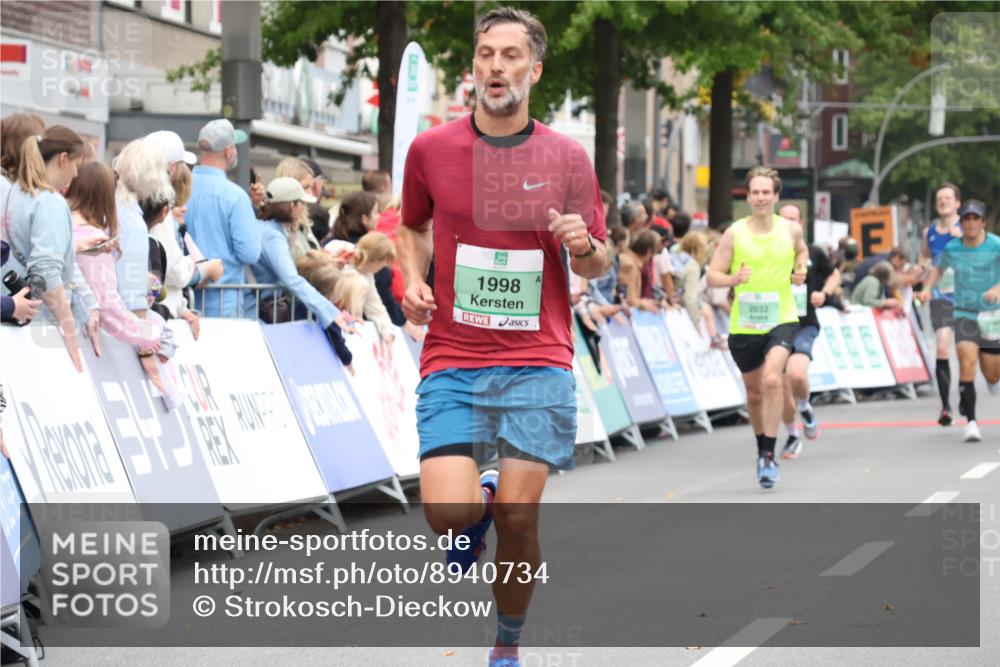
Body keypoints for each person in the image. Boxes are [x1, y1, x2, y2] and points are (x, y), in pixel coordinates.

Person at [396, 8, 607, 666]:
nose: (496, 66)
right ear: (473, 67)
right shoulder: (431, 150)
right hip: (453, 355)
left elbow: (601, 260)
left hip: (538, 360)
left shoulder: (568, 157)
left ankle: (507, 644)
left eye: (511, 55)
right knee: (445, 515)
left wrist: (586, 247)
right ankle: (473, 507)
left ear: (534, 70)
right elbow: (411, 226)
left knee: (521, 518)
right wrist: (411, 278)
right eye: (486, 53)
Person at [707, 166, 808, 489]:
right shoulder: (735, 233)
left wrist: (800, 270)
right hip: (745, 323)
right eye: (756, 192)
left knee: (771, 379)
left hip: (781, 317)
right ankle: (761, 449)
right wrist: (733, 279)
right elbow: (712, 275)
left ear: (776, 196)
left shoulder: (790, 230)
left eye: (767, 192)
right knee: (753, 393)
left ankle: (768, 455)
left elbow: (802, 252)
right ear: (748, 197)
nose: (762, 198)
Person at [1, 125, 101, 371]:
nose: (76, 173)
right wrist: (69, 330)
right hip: (41, 323)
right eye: (76, 164)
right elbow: (45, 270)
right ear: (63, 159)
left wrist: (72, 247)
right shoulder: (49, 202)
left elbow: (30, 251)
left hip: (20, 316)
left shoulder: (17, 192)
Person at [249, 177, 354, 370]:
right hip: (265, 309)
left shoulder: (267, 229)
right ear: (291, 205)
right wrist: (328, 312)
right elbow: (292, 279)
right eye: (302, 203)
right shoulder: (272, 235)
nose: (304, 208)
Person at [919, 200, 1000, 443]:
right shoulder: (953, 248)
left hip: (991, 315)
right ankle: (972, 423)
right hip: (964, 313)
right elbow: (938, 270)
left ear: (983, 221)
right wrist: (926, 289)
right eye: (967, 219)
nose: (971, 223)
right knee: (966, 361)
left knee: (993, 373)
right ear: (961, 222)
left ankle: (993, 380)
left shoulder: (995, 245)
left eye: (976, 218)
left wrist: (996, 289)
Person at [776, 203, 840, 459]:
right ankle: (792, 435)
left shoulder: (814, 252)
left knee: (796, 374)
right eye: (784, 219)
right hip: (775, 326)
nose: (790, 224)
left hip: (804, 325)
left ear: (801, 224)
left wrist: (823, 293)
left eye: (794, 219)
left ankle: (805, 407)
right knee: (781, 388)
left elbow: (834, 275)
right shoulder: (769, 254)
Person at [185, 119, 261, 317]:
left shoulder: (181, 189)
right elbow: (250, 252)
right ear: (229, 151)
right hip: (224, 300)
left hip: (185, 296)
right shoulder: (235, 196)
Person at [920, 183, 963, 426]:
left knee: (970, 352)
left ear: (958, 202)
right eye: (940, 199)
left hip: (968, 297)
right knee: (943, 349)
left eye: (948, 198)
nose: (943, 202)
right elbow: (925, 255)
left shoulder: (967, 227)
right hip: (941, 297)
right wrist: (924, 269)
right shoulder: (930, 232)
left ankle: (967, 396)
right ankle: (946, 407)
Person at [324, 232, 397, 342]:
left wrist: (388, 332)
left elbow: (375, 305)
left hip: (343, 319)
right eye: (382, 264)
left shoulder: (367, 273)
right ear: (376, 260)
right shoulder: (338, 248)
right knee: (359, 282)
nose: (381, 269)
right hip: (324, 311)